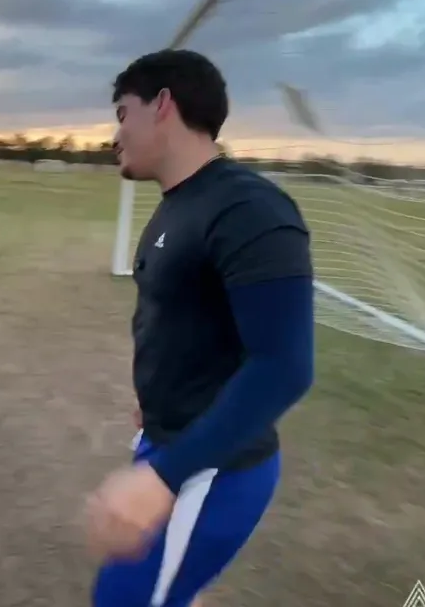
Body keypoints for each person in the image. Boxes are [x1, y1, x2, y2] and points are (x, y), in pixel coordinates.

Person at [84, 49, 315, 607]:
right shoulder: (178, 204)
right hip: (170, 445)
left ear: (162, 105)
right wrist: (156, 394)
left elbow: (285, 368)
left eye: (123, 113)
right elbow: (182, 315)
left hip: (211, 471)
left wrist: (166, 477)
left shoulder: (249, 209)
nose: (115, 135)